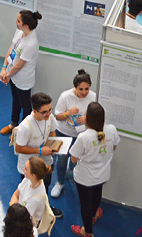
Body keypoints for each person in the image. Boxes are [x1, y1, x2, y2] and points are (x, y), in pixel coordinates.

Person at [68, 102, 118, 237]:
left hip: (85, 177)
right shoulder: (111, 129)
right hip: (103, 174)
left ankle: (87, 231)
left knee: (85, 204)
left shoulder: (84, 137)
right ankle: (94, 213)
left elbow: (73, 158)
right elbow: (113, 147)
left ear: (87, 118)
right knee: (97, 194)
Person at [51, 70, 96, 199]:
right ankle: (60, 182)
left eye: (86, 89)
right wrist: (67, 113)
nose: (84, 92)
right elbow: (58, 116)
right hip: (63, 132)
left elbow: (96, 115)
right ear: (74, 87)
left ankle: (70, 171)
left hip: (81, 135)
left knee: (77, 158)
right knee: (61, 160)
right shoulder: (65, 96)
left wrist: (87, 119)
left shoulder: (93, 97)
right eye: (80, 89)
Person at [1, 11, 42, 136]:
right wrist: (4, 68)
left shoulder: (31, 44)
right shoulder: (19, 32)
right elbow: (11, 48)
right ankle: (13, 124)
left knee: (26, 106)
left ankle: (23, 131)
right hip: (13, 75)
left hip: (23, 80)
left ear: (26, 26)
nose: (16, 22)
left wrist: (7, 75)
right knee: (15, 100)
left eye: (18, 21)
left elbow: (19, 65)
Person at [10, 157, 51, 232]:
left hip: (25, 226)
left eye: (26, 169)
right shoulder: (28, 179)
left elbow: (21, 217)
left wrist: (13, 207)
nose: (23, 169)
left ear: (33, 175)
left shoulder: (36, 199)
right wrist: (14, 208)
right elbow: (16, 194)